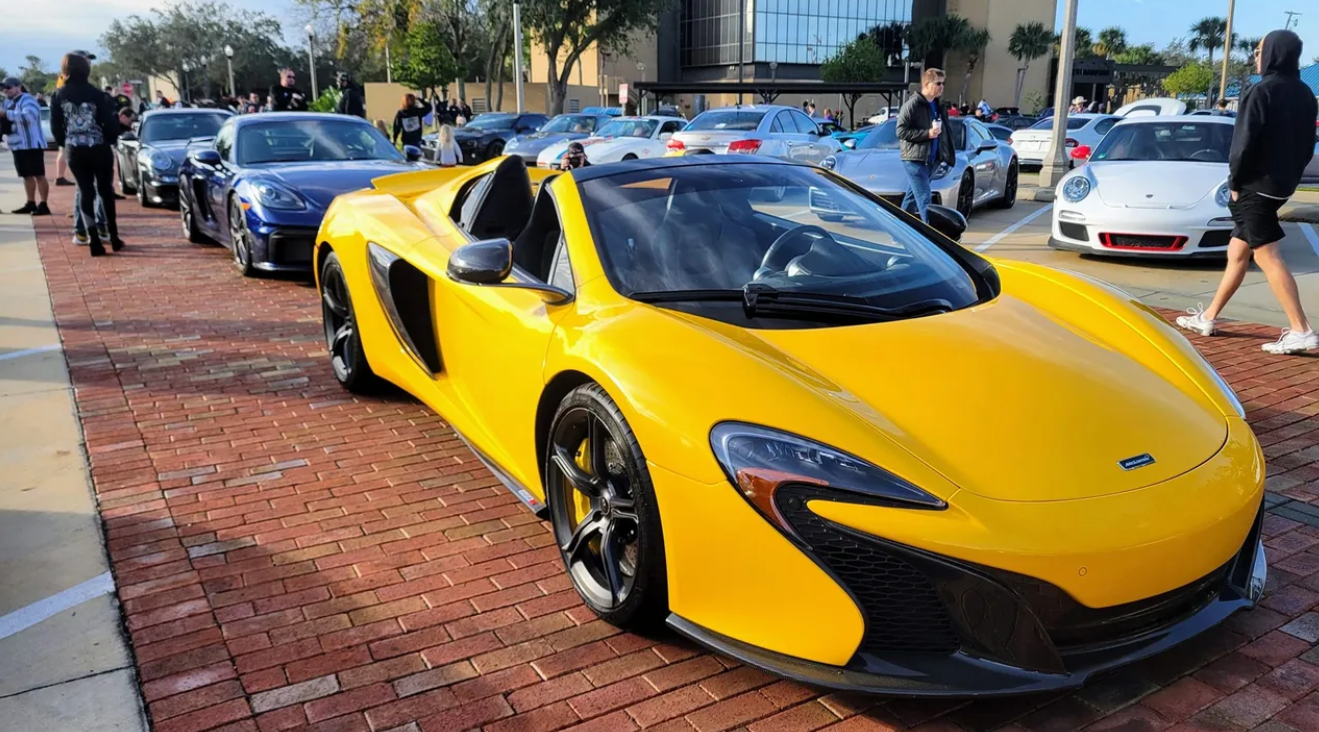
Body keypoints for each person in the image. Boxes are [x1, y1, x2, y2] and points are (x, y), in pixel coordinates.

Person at [1177, 30, 1318, 355]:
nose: (1256, 56)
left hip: (1255, 187)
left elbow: (1243, 145)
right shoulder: (1305, 93)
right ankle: (1208, 317)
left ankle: (1301, 330)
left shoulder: (1260, 91)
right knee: (1238, 252)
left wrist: (1236, 182)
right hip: (1281, 186)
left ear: (1273, 54)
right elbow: (1308, 144)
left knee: (1268, 257)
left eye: (1259, 51)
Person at [51, 53, 124, 256]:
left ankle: (93, 240)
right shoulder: (98, 94)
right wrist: (109, 139)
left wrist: (66, 143)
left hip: (75, 149)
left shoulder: (58, 96)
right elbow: (110, 124)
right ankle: (114, 236)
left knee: (85, 192)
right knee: (105, 191)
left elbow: (56, 127)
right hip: (98, 147)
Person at [895, 67, 955, 223]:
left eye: (943, 83)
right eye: (938, 83)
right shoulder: (913, 104)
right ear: (928, 84)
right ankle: (932, 239)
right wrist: (926, 134)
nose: (942, 87)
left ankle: (900, 231)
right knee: (924, 198)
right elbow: (901, 131)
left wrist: (945, 153)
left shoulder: (937, 105)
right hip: (914, 159)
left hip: (931, 160)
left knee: (912, 198)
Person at [1, 76, 51, 215]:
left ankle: (44, 204)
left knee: (39, 174)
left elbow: (28, 117)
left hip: (31, 144)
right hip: (17, 144)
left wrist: (6, 114)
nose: (6, 90)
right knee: (26, 175)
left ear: (18, 87)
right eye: (3, 88)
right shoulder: (6, 102)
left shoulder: (28, 99)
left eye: (9, 87)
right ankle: (30, 202)